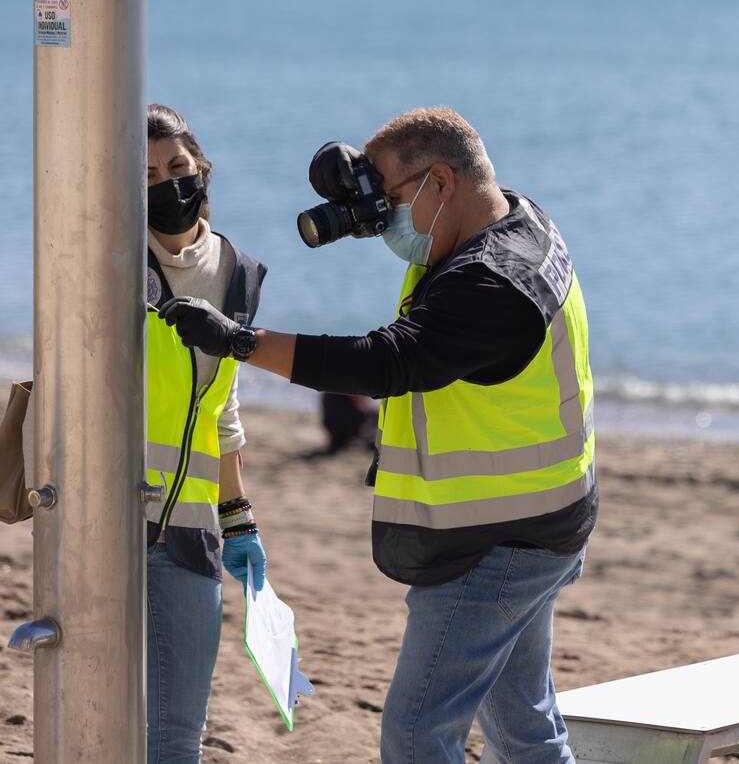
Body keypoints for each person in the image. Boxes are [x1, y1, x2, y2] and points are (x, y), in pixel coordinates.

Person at [158, 107, 597, 764]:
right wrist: (375, 195)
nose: (385, 220)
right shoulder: (513, 218)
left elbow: (387, 362)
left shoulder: (492, 282)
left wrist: (243, 342)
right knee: (525, 725)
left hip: (496, 542)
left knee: (419, 734)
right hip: (545, 518)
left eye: (391, 201)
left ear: (441, 183)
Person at [144, 104, 269, 763]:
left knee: (176, 732)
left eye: (177, 167)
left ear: (202, 171)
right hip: (103, 523)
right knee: (95, 712)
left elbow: (222, 409)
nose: (166, 184)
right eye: (145, 175)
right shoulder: (103, 260)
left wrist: (240, 519)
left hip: (193, 531)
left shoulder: (238, 274)